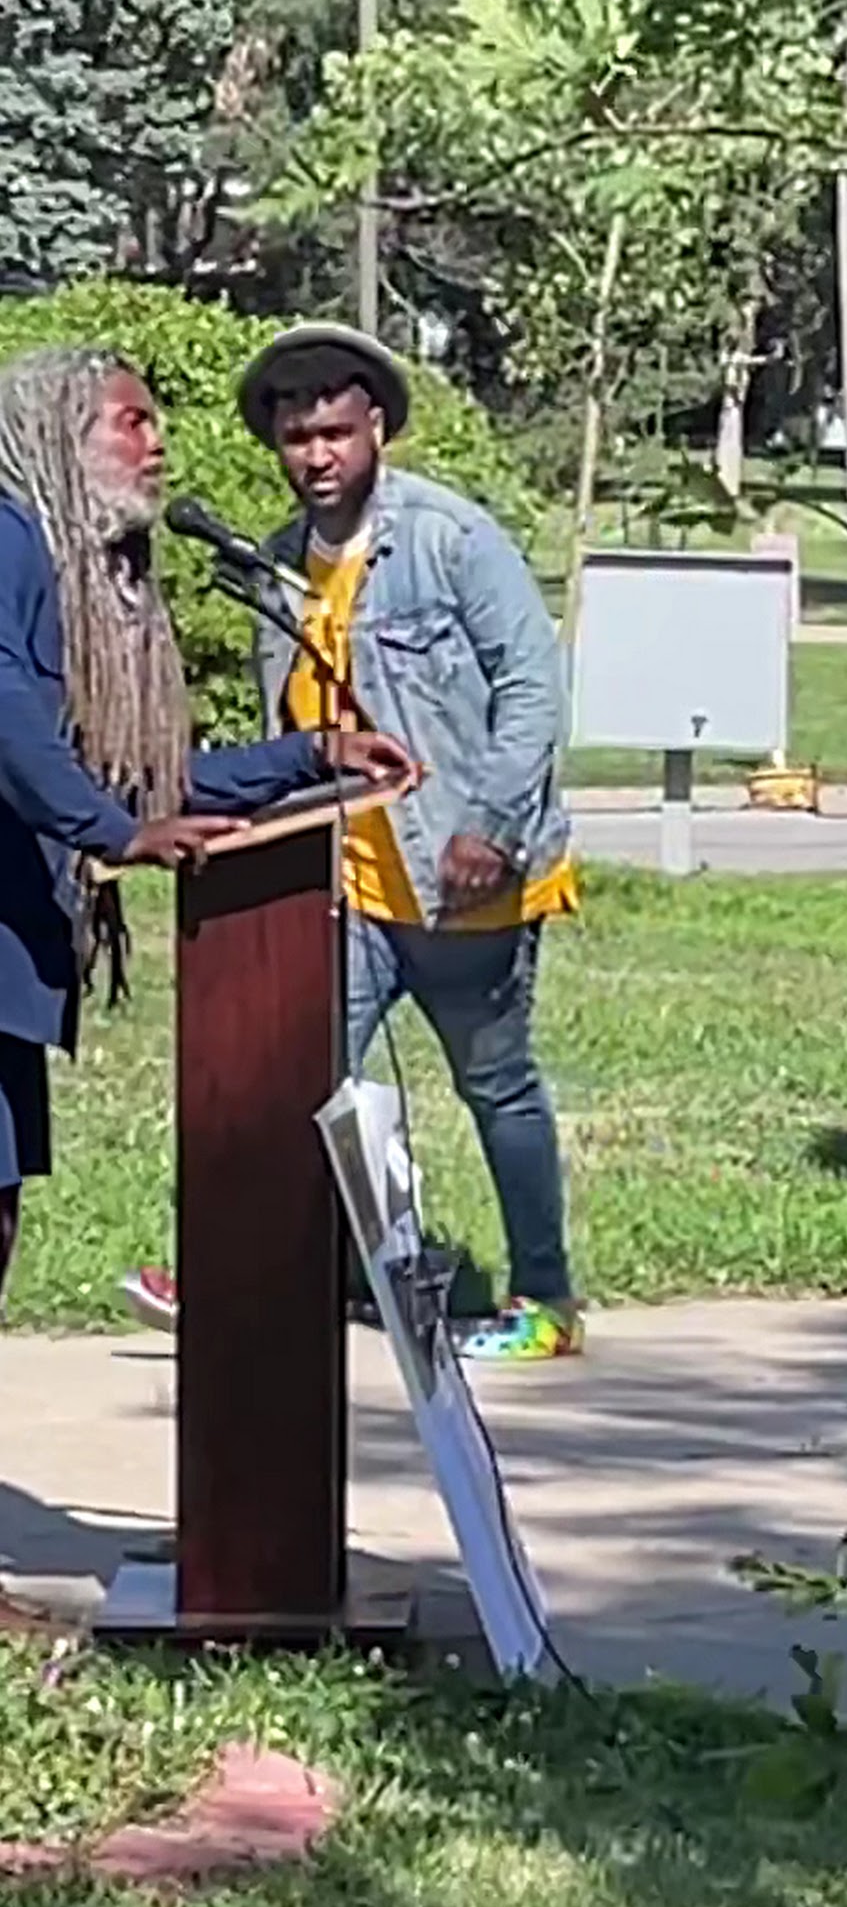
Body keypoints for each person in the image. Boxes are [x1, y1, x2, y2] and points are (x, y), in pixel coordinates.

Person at [0, 346, 409, 1309]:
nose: (158, 444)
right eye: (131, 422)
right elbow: (7, 711)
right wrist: (110, 832)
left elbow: (142, 777)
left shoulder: (71, 566)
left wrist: (312, 756)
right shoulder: (8, 538)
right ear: (60, 433)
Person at [244, 323, 581, 1362]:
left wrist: (489, 825)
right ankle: (301, 1277)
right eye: (296, 437)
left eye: (335, 433)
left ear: (376, 428)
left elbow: (533, 688)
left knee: (496, 1084)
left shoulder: (449, 538)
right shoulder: (276, 565)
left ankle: (546, 1297)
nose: (317, 456)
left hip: (461, 877)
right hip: (343, 884)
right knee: (302, 1084)